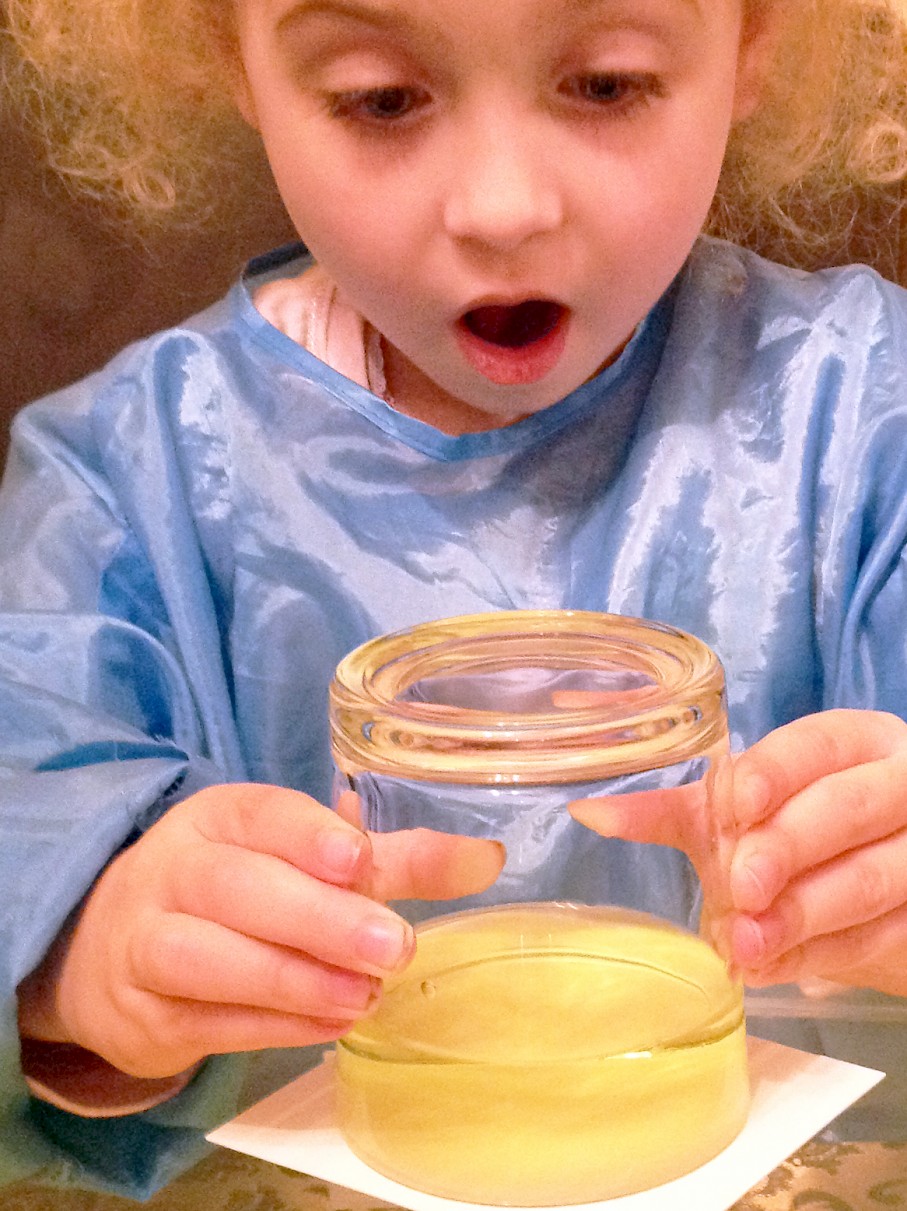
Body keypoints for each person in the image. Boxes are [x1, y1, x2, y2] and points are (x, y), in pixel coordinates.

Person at [3, 0, 907, 1196]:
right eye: (382, 97)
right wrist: (86, 969)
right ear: (231, 60)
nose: (501, 206)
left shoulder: (863, 414)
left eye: (604, 84)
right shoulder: (125, 479)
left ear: (752, 45)